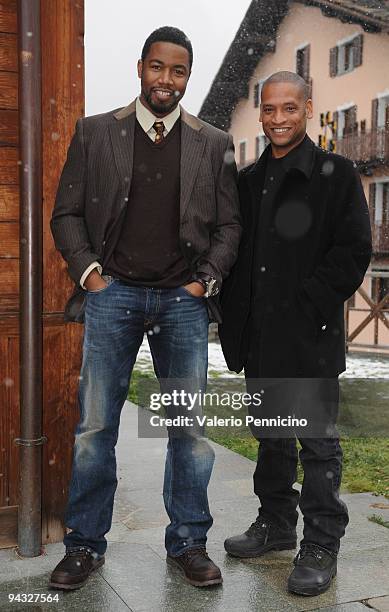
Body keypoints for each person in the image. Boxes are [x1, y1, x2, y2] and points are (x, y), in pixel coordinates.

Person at [49, 26, 241, 590]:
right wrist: (89, 273)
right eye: (158, 67)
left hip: (184, 300)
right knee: (95, 427)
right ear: (140, 68)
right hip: (115, 295)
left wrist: (207, 280)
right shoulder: (94, 134)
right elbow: (67, 214)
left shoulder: (213, 142)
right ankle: (84, 546)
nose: (167, 80)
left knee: (188, 428)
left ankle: (188, 542)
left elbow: (230, 225)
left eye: (178, 71)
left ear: (188, 76)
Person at [219, 71, 372, 597]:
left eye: (289, 108)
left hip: (311, 334)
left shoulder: (337, 174)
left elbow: (353, 251)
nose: (278, 118)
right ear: (260, 113)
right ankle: (277, 523)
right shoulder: (245, 180)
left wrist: (308, 306)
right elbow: (238, 256)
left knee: (317, 445)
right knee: (271, 436)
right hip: (260, 336)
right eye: (269, 109)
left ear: (308, 108)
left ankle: (322, 541)